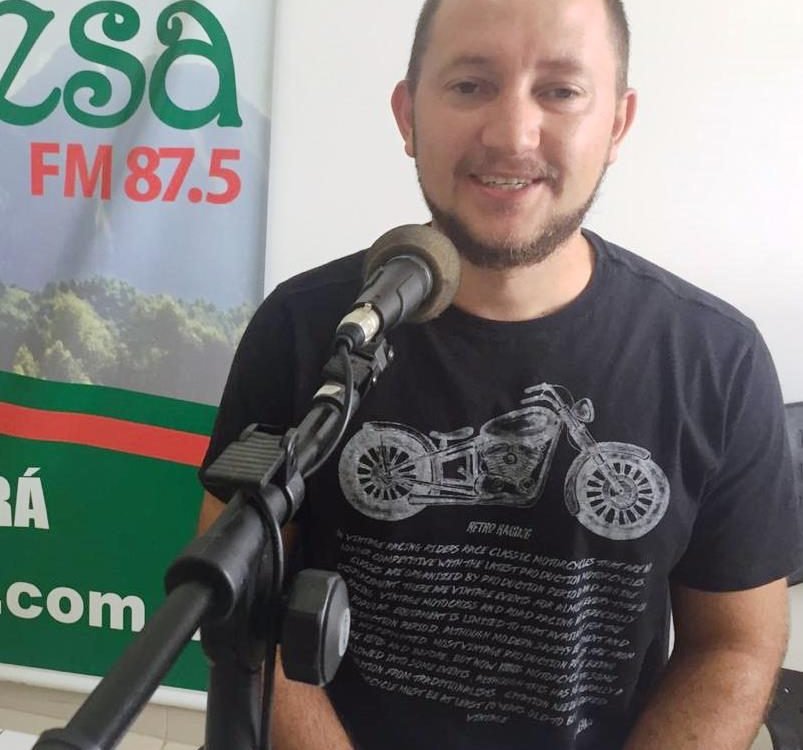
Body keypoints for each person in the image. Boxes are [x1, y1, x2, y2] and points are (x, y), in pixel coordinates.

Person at [197, 0, 803, 747]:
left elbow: (732, 644)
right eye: (470, 85)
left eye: (561, 90)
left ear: (616, 122)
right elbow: (242, 609)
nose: (513, 135)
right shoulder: (304, 328)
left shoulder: (717, 359)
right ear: (408, 115)